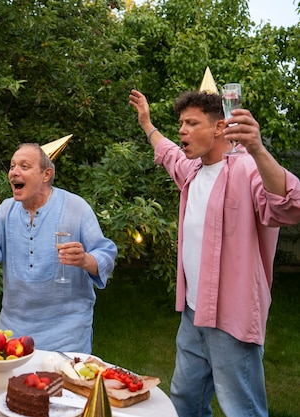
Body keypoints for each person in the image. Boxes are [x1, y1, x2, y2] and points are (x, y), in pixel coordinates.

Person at [128, 88, 300, 417]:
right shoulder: (192, 172)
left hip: (231, 318)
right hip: (193, 314)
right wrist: (147, 124)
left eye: (192, 123)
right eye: (181, 123)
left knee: (240, 407)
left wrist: (257, 148)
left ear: (220, 127)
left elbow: (289, 206)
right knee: (184, 399)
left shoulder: (247, 169)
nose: (182, 130)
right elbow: (167, 154)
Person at [0, 143, 117, 354]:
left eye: (24, 166)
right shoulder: (6, 210)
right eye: (12, 166)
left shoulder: (76, 207)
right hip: (14, 333)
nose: (14, 172)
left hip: (67, 335)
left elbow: (106, 256)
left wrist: (84, 260)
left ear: (46, 175)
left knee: (64, 388)